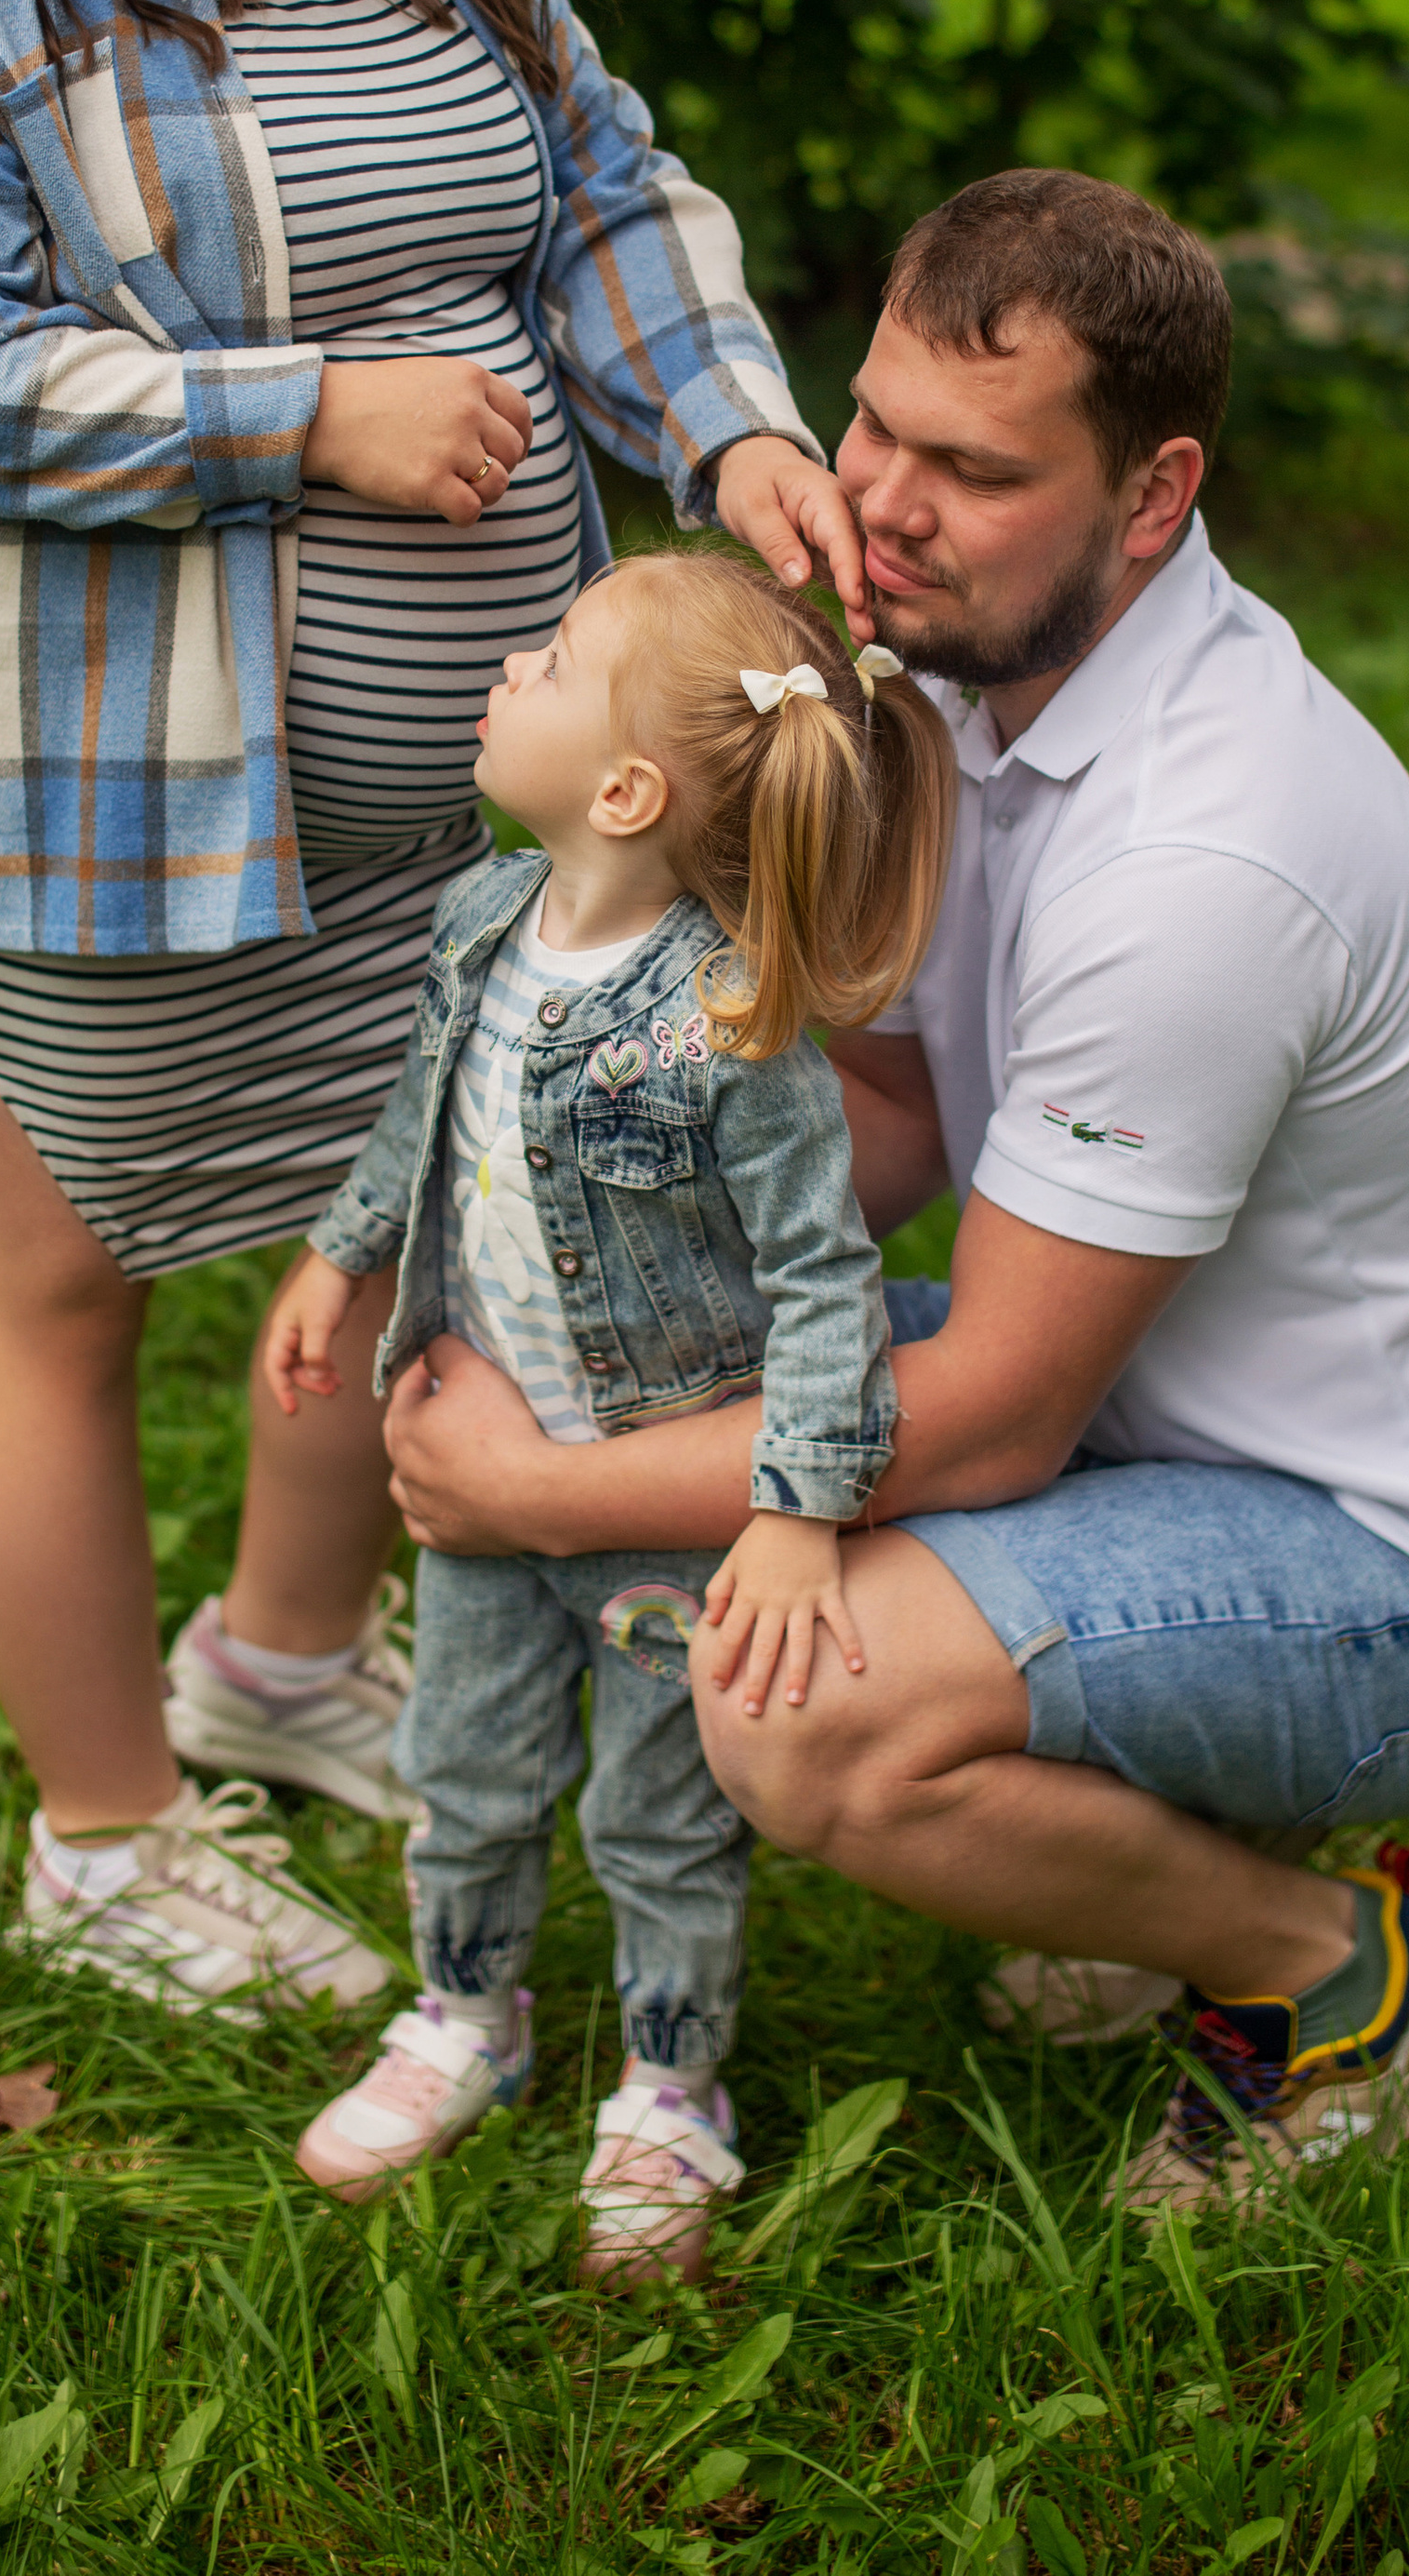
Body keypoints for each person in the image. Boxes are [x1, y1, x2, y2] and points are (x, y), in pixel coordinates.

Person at [0, 0, 868, 2017]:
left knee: (397, 1254)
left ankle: (278, 1666)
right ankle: (106, 1833)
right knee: (61, 1288)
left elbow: (602, 199)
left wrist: (731, 429)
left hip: (449, 817)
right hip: (92, 801)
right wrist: (315, 420)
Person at [383, 166, 1409, 2214]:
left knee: (797, 1709)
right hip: (1170, 1430)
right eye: (869, 422)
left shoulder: (1195, 866)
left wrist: (546, 1488)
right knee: (696, 1436)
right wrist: (590, 1286)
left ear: (1149, 499)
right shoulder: (954, 676)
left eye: (968, 467)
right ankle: (1134, 1817)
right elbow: (888, 1095)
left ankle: (1340, 1976)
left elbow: (996, 1416)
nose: (875, 501)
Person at [260, 551, 952, 2276]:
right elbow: (420, 1117)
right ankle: (465, 2016)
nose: (511, 661)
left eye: (553, 655)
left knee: (662, 1809)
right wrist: (341, 1264)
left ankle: (669, 2085)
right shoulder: (478, 920)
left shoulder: (734, 1028)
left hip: (659, 1508)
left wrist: (793, 1510)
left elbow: (823, 1283)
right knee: (466, 1767)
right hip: (482, 1469)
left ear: (628, 788)